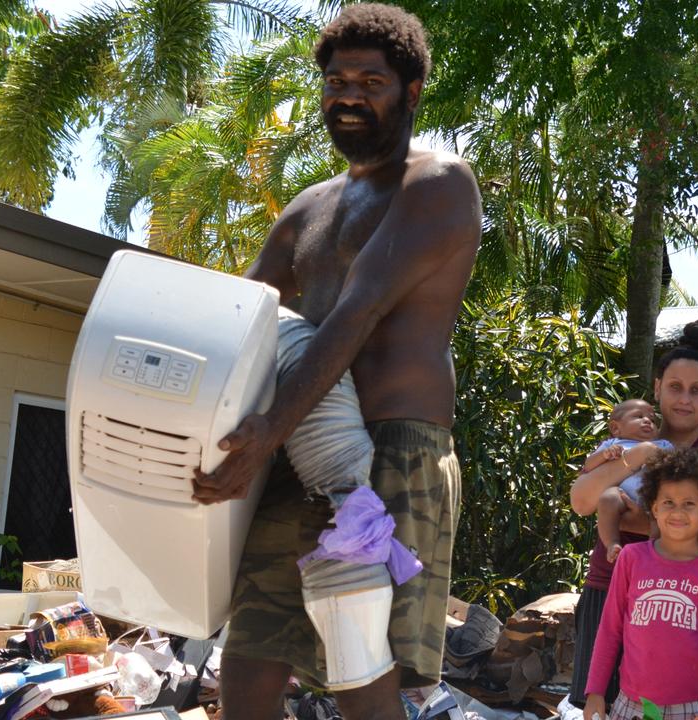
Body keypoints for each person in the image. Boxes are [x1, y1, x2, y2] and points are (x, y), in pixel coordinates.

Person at [188, 5, 482, 720]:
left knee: (362, 671)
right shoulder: (308, 209)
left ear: (410, 92)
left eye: (371, 81)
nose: (349, 95)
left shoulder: (439, 183)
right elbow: (239, 318)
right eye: (336, 81)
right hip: (292, 449)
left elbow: (361, 307)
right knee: (249, 670)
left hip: (390, 452)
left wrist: (265, 430)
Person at [568, 319, 698, 709]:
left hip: (693, 602)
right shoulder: (624, 446)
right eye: (674, 387)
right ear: (656, 388)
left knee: (683, 707)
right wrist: (642, 455)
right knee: (601, 704)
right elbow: (583, 501)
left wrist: (634, 519)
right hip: (610, 590)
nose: (684, 399)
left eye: (697, 390)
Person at [583, 448, 698, 720]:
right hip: (631, 706)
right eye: (668, 502)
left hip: (691, 708)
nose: (677, 512)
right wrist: (595, 691)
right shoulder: (631, 558)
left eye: (689, 503)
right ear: (653, 507)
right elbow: (609, 630)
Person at [582, 399, 674, 563]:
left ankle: (655, 554)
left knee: (662, 511)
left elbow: (674, 468)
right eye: (638, 416)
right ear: (615, 428)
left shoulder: (662, 444)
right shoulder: (612, 444)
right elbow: (588, 466)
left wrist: (659, 459)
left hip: (652, 496)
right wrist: (605, 455)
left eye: (652, 420)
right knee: (608, 498)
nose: (647, 421)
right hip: (621, 496)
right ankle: (612, 544)